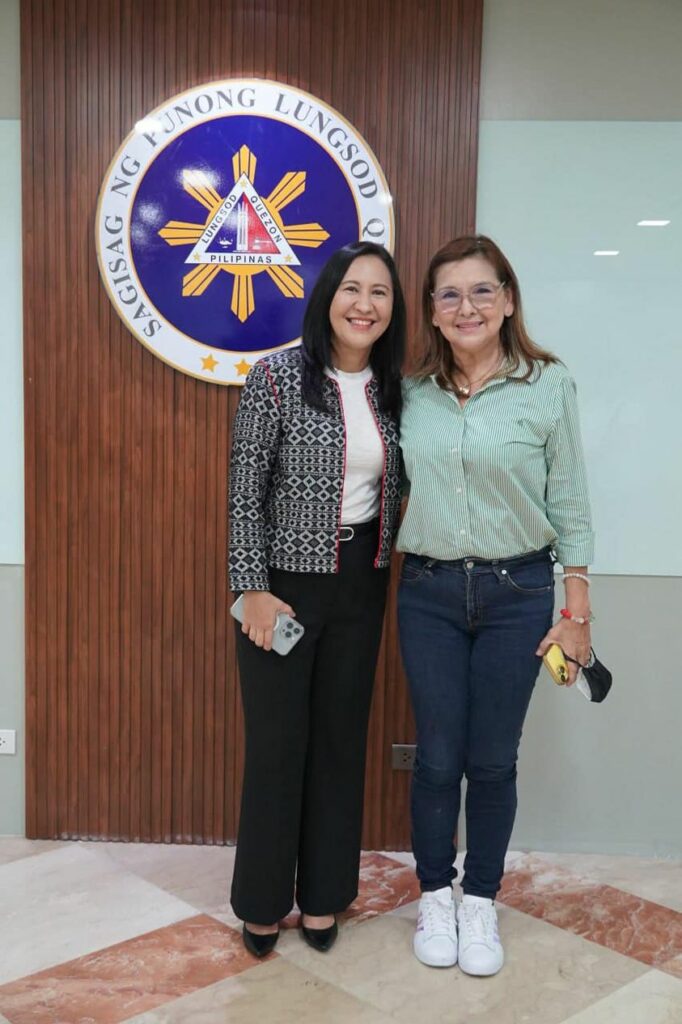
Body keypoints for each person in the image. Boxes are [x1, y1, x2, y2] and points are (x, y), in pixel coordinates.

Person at [397, 235, 594, 976]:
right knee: (437, 757)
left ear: (508, 300)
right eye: (449, 294)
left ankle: (479, 900)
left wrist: (576, 609)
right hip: (429, 593)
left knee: (491, 760)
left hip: (519, 593)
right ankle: (434, 895)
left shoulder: (548, 384)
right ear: (432, 311)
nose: (467, 307)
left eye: (483, 290)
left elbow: (568, 497)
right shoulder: (410, 390)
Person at [228, 241, 406, 957]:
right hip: (284, 586)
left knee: (339, 742)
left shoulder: (396, 390)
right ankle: (262, 901)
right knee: (278, 746)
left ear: (392, 310)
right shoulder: (276, 378)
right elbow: (245, 494)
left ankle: (326, 895)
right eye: (351, 289)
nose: (365, 304)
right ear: (328, 297)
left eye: (380, 293)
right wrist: (251, 589)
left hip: (363, 580)